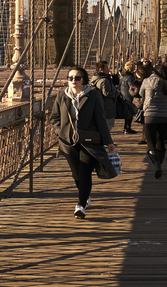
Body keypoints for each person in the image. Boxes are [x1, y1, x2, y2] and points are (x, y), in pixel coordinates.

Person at [56, 64, 114, 219]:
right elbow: (54, 117)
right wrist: (60, 130)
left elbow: (100, 120)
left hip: (89, 141)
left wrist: (108, 141)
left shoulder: (93, 95)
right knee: (77, 174)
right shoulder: (62, 96)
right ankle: (85, 195)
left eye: (77, 78)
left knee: (85, 171)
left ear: (83, 80)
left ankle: (80, 205)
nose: (73, 80)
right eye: (70, 78)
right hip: (68, 142)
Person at [136, 60, 167, 179]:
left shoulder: (146, 81)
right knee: (161, 143)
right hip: (164, 115)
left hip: (149, 116)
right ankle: (160, 164)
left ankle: (156, 165)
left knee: (151, 144)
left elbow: (141, 94)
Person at [118, 61, 140, 134]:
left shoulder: (122, 76)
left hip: (123, 95)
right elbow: (132, 87)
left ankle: (126, 127)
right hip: (129, 96)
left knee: (126, 113)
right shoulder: (130, 78)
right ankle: (128, 128)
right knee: (129, 113)